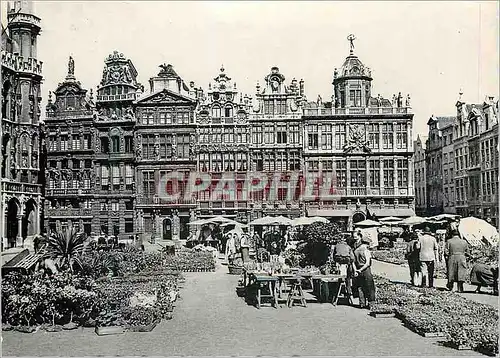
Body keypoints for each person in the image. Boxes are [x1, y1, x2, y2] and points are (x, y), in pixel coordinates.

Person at [353, 232, 376, 309]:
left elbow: (353, 262)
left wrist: (356, 270)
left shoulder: (356, 250)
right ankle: (371, 304)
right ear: (367, 243)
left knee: (360, 286)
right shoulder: (366, 250)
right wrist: (360, 270)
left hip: (357, 268)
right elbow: (367, 263)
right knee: (370, 286)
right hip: (365, 270)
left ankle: (362, 303)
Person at [445, 228, 469, 292]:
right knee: (461, 272)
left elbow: (446, 252)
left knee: (451, 272)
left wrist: (448, 256)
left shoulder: (449, 241)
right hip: (462, 258)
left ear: (452, 235)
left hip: (452, 257)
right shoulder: (464, 241)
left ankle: (451, 287)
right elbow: (468, 252)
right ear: (459, 235)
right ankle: (460, 288)